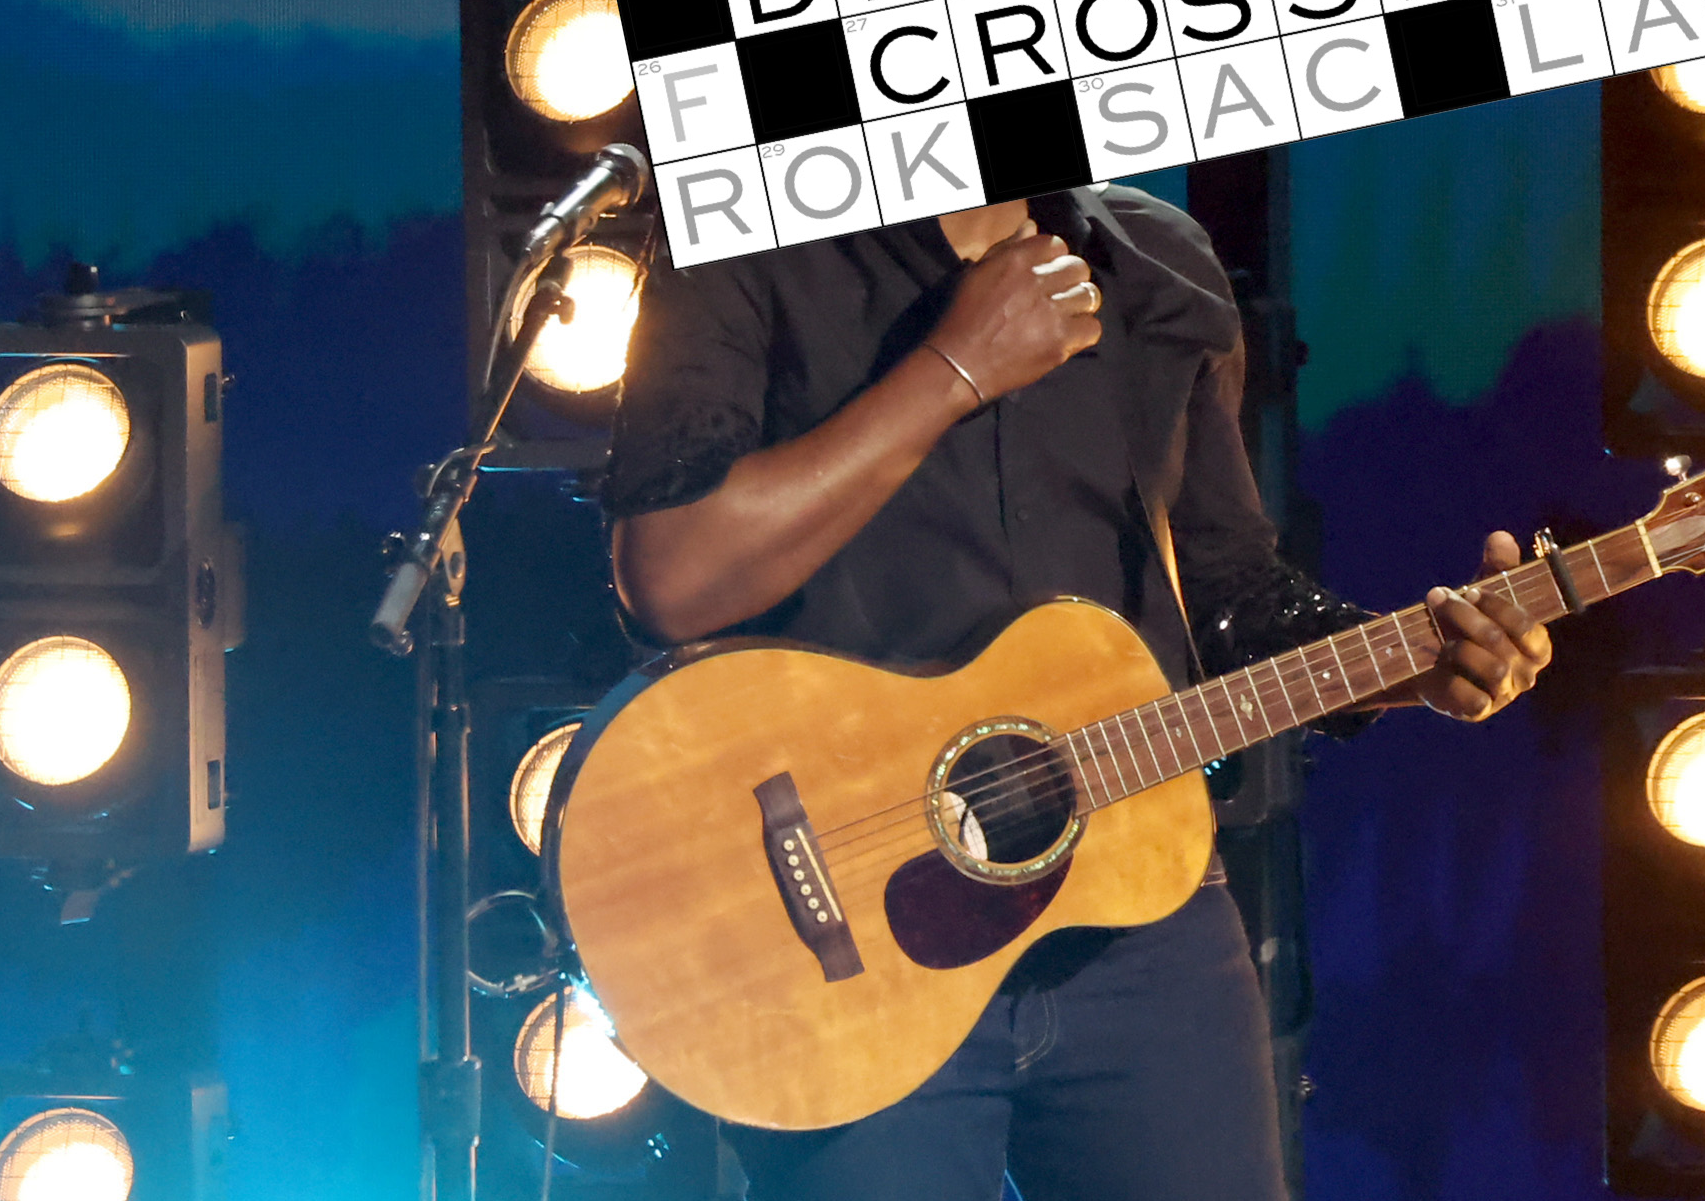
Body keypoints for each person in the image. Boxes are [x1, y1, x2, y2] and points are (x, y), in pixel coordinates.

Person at [599, 184, 1552, 1201]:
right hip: (844, 936)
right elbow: (670, 572)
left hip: (1136, 913)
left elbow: (1227, 594)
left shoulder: (1161, 265)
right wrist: (954, 367)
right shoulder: (752, 243)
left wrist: (1404, 661)